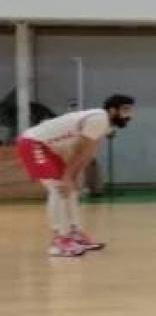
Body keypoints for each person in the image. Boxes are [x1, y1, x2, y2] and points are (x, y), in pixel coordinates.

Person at [17, 94, 134, 257]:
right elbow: (80, 151)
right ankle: (59, 241)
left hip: (50, 149)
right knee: (59, 189)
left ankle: (75, 234)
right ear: (113, 110)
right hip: (32, 143)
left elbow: (88, 152)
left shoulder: (105, 125)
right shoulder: (99, 119)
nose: (130, 115)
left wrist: (75, 176)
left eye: (130, 110)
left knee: (71, 190)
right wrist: (67, 176)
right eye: (126, 110)